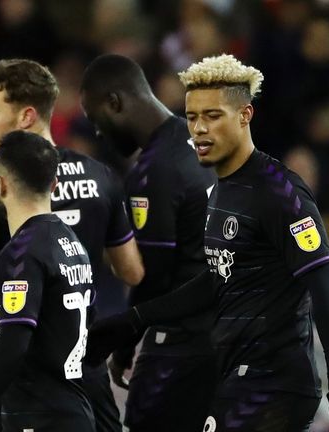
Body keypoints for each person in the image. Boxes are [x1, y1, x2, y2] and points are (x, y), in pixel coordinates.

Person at [86, 55, 329, 432]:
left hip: (275, 384)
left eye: (213, 116)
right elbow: (218, 280)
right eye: (192, 118)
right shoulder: (224, 190)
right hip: (237, 380)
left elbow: (323, 284)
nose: (200, 130)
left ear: (245, 115)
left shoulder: (278, 191)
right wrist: (133, 321)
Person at [0, 59, 142, 432]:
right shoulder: (100, 175)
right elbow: (131, 271)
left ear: (26, 116)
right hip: (85, 371)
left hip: (20, 380)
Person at [80, 54, 216, 432]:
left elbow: (151, 276)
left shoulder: (156, 170)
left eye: (95, 120)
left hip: (185, 342)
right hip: (232, 332)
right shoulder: (203, 140)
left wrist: (124, 343)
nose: (98, 133)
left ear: (115, 103)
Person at [0, 131, 95, 432]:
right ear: (53, 185)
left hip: (39, 417)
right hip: (76, 410)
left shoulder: (20, 253)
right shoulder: (72, 243)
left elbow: (14, 343)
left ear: (0, 184)